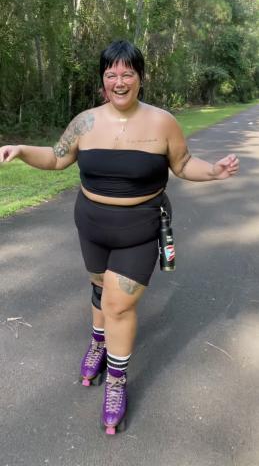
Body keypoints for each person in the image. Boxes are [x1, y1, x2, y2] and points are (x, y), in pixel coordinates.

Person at [0, 40, 239, 435]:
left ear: (141, 78)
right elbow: (59, 157)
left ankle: (115, 380)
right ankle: (98, 341)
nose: (119, 80)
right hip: (91, 224)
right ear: (103, 81)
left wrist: (213, 171)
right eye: (111, 73)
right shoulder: (85, 122)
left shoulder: (162, 123)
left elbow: (182, 164)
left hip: (140, 229)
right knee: (99, 289)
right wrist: (22, 149)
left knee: (118, 304)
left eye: (128, 72)